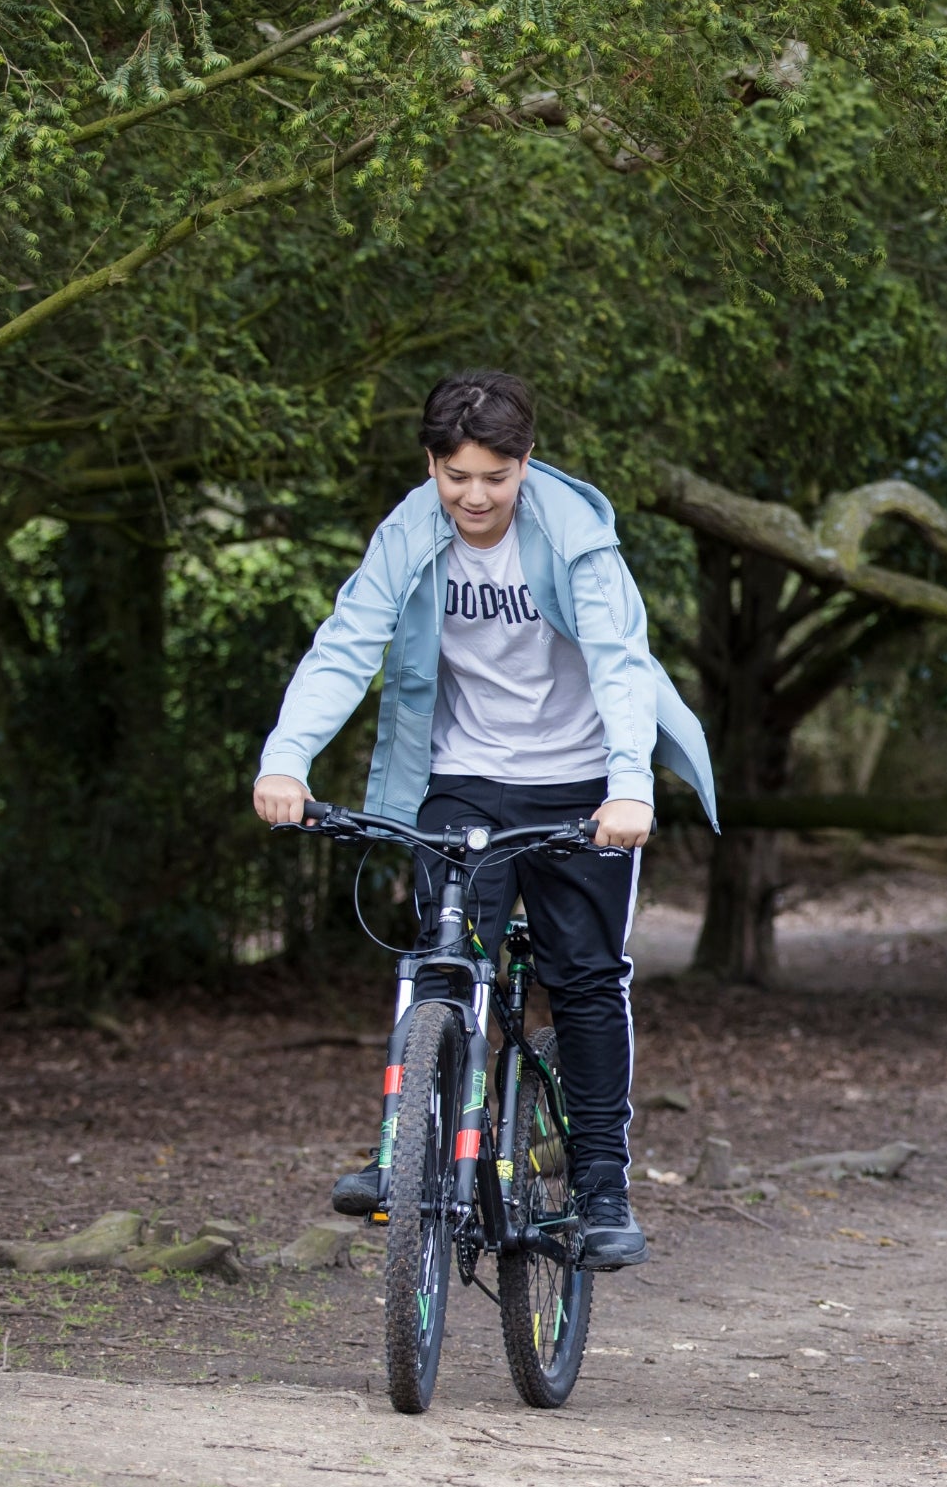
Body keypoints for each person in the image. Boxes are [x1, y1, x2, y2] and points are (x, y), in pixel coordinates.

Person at [251, 371, 716, 1272]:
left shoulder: (578, 541)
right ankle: (405, 1149)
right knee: (440, 958)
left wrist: (631, 787)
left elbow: (621, 667)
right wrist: (285, 759)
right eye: (455, 475)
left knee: (583, 977)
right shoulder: (409, 532)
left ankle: (600, 1184)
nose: (473, 496)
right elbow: (347, 643)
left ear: (525, 465)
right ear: (431, 464)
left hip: (583, 782)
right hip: (464, 777)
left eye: (494, 478)